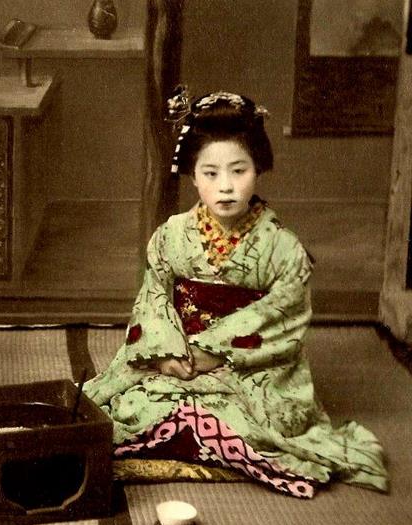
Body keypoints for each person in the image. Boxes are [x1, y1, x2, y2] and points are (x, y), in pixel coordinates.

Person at [83, 87, 388, 498]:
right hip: (178, 358)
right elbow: (153, 297)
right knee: (135, 407)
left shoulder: (282, 246)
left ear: (258, 169)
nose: (226, 186)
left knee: (260, 424)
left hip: (250, 367)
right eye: (211, 173)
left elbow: (284, 313)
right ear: (193, 175)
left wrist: (215, 352)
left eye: (238, 171)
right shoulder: (172, 235)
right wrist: (167, 354)